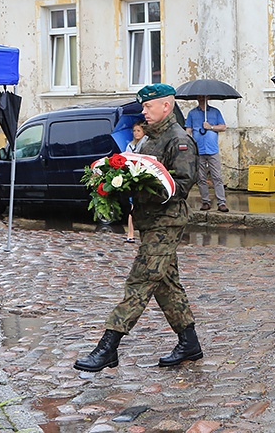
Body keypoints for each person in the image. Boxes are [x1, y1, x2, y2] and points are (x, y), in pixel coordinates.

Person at [74, 83, 202, 372]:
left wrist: (145, 184)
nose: (143, 111)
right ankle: (189, 343)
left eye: (148, 106)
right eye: (143, 106)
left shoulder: (179, 140)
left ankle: (108, 346)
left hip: (166, 223)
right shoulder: (149, 140)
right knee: (166, 285)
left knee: (140, 281)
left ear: (165, 106)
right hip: (149, 221)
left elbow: (181, 184)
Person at [185, 96, 228, 213]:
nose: (201, 99)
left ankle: (221, 202)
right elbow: (188, 129)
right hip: (198, 150)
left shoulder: (215, 112)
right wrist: (189, 143)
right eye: (199, 97)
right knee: (201, 178)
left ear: (207, 98)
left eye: (203, 97)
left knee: (217, 177)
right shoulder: (192, 113)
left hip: (212, 149)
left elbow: (223, 127)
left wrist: (211, 127)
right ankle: (205, 201)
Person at [124, 121, 148, 243]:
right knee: (133, 206)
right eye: (134, 131)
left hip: (143, 177)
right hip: (133, 177)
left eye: (139, 130)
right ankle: (130, 233)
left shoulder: (147, 143)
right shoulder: (130, 146)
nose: (136, 133)